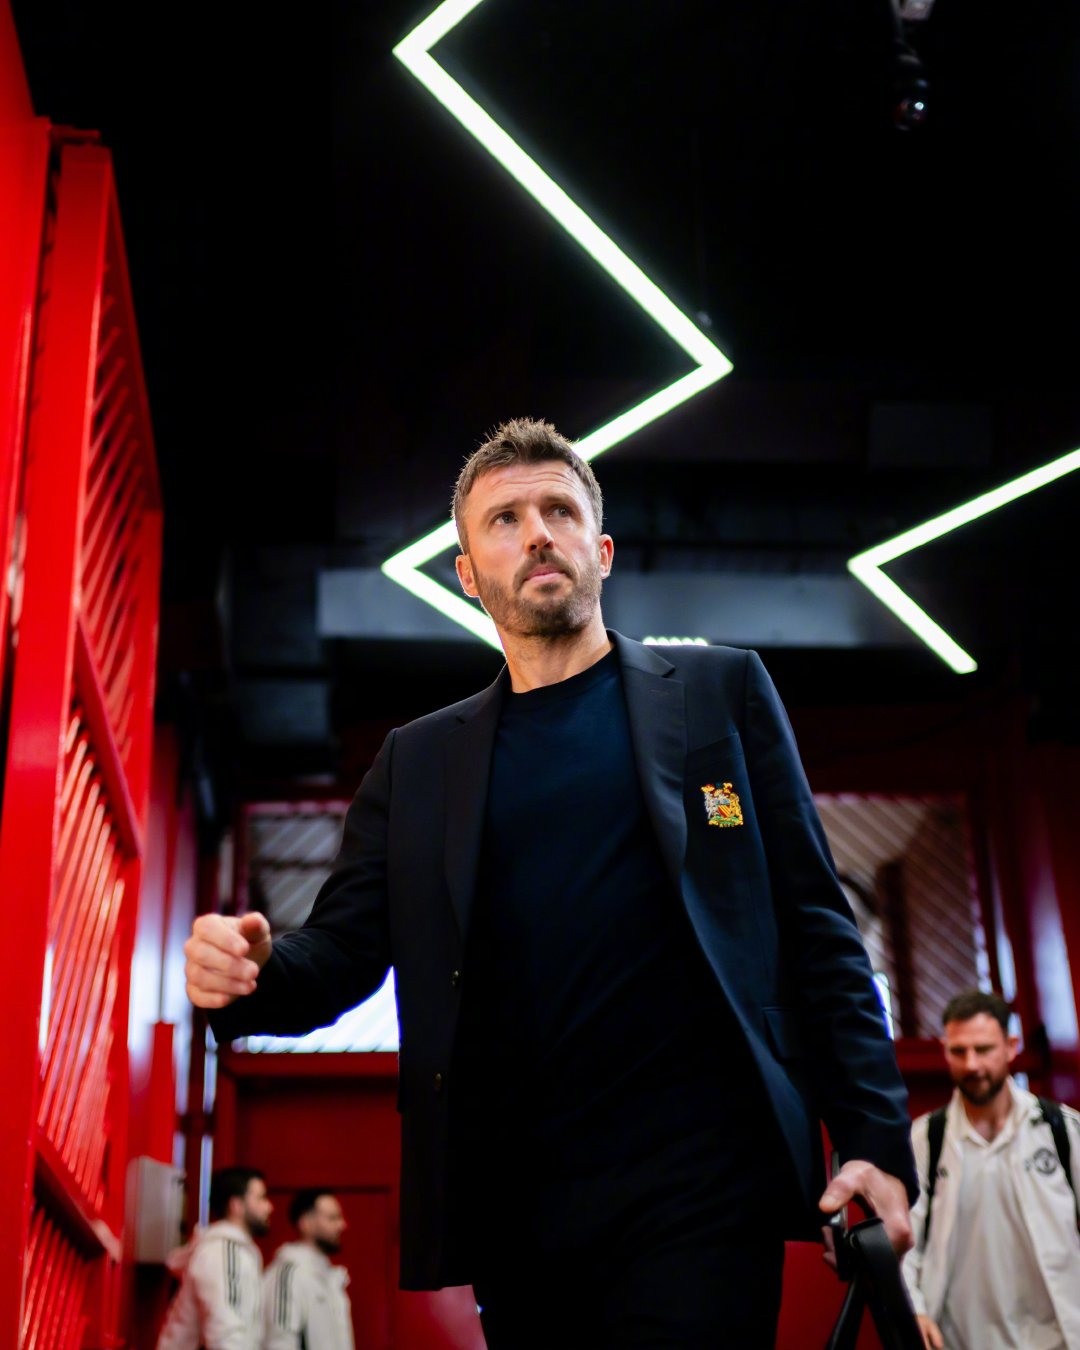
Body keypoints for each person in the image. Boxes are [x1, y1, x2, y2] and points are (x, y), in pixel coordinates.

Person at [185, 417, 917, 1347]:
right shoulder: (418, 764)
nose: (536, 533)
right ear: (467, 572)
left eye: (559, 511)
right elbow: (341, 954)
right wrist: (249, 975)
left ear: (599, 552)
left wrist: (875, 1143)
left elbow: (818, 930)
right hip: (517, 1209)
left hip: (703, 1188)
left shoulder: (719, 695)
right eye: (505, 519)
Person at [903, 989, 1080, 1350]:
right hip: (960, 1338)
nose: (972, 1065)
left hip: (1059, 1338)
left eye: (983, 1049)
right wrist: (914, 1310)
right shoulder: (924, 1140)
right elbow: (905, 1242)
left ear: (1010, 1047)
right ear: (944, 1050)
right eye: (959, 1051)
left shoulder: (1062, 1130)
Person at [157, 1166, 271, 1350]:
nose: (269, 1207)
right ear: (236, 1205)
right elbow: (226, 1334)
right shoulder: (223, 1252)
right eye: (261, 1198)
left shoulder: (235, 1251)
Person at [263, 1189, 355, 1350]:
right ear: (306, 1223)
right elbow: (279, 1342)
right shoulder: (287, 1275)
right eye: (332, 1218)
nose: (342, 1225)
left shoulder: (330, 1277)